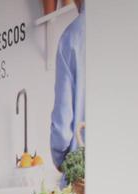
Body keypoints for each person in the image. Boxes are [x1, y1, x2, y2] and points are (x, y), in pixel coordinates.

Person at [50, 0, 85, 175]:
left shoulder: (71, 37)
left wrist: (59, 159)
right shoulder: (124, 28)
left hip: (82, 178)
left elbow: (62, 127)